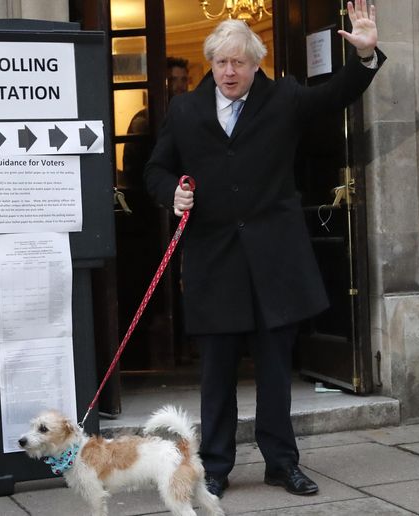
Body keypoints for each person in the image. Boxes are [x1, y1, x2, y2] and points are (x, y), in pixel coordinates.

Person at [144, 0, 384, 498]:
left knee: (276, 370)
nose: (229, 72)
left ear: (257, 64)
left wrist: (364, 56)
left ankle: (282, 462)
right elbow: (155, 169)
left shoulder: (284, 99)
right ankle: (215, 467)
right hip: (214, 259)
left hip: (275, 259)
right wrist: (172, 192)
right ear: (211, 63)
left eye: (239, 62)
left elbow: (335, 93)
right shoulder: (185, 109)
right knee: (216, 374)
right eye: (221, 62)